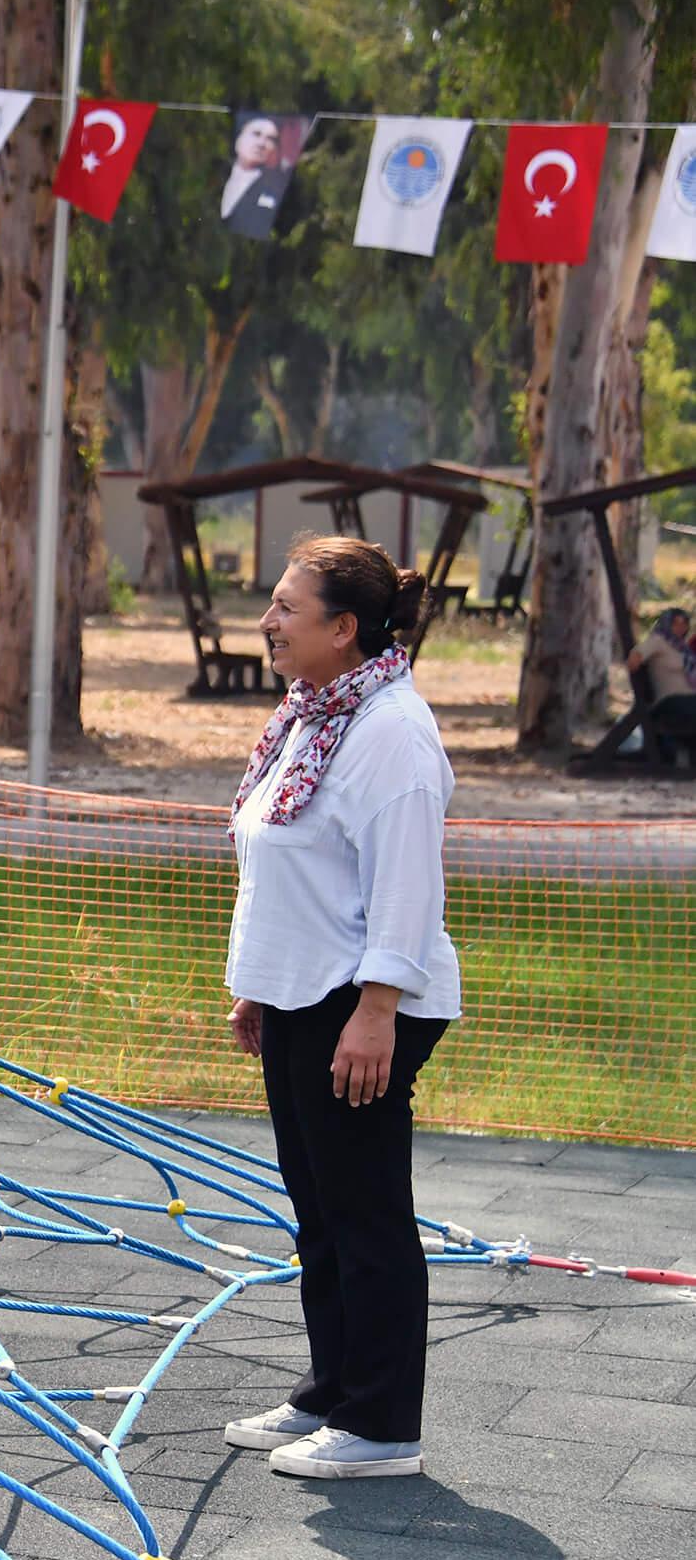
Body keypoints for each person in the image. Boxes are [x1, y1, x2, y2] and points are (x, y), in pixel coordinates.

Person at [221, 535, 460, 1481]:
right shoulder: (311, 711)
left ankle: (381, 1422)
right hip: (301, 991)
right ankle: (332, 1389)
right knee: (317, 1210)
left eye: (286, 607)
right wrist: (260, 983)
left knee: (365, 1214)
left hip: (361, 1001)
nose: (269, 622)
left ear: (344, 628)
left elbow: (406, 885)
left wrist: (376, 1012)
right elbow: (290, 864)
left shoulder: (392, 728)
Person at [624, 607, 696, 760]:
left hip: (687, 702)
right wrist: (635, 663)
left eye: (684, 623)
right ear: (666, 623)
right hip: (671, 702)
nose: (681, 627)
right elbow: (637, 655)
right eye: (675, 623)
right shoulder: (659, 640)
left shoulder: (681, 648)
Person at [220, 115, 290, 239]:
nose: (262, 144)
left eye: (270, 139)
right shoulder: (216, 172)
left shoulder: (273, 190)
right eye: (256, 134)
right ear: (239, 138)